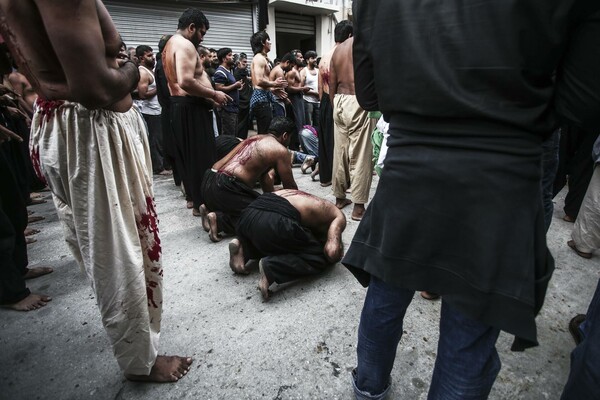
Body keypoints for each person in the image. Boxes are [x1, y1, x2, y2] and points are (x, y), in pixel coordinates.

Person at [345, 0, 600, 398]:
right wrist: (512, 120)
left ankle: (368, 389)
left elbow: (370, 92)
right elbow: (583, 98)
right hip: (500, 175)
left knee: (386, 296)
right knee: (468, 331)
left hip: (412, 164)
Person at [0, 0, 194, 382]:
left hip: (68, 125)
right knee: (119, 253)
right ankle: (140, 361)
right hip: (91, 133)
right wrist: (133, 68)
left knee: (107, 249)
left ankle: (132, 340)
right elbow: (95, 88)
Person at [163, 8, 231, 215]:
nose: (201, 39)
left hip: (180, 106)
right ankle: (207, 207)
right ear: (191, 27)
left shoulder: (169, 45)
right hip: (190, 108)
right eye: (201, 33)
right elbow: (185, 81)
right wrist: (213, 95)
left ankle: (194, 200)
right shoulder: (185, 44)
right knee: (203, 159)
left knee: (190, 159)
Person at [229, 189, 346, 301]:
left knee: (274, 240)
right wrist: (338, 250)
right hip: (274, 220)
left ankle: (243, 248)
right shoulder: (338, 217)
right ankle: (272, 267)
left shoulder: (308, 199)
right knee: (319, 257)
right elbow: (332, 252)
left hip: (249, 213)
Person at [200, 116, 298, 242]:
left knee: (262, 206)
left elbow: (265, 179)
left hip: (209, 181)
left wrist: (270, 200)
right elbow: (291, 188)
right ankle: (219, 221)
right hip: (225, 186)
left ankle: (209, 208)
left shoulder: (254, 138)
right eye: (290, 137)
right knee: (262, 217)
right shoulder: (281, 151)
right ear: (285, 135)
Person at [330, 36, 375, 221]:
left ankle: (340, 198)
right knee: (361, 154)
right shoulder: (366, 43)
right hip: (359, 100)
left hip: (339, 100)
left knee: (340, 152)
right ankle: (358, 208)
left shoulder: (338, 49)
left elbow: (331, 81)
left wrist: (334, 103)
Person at [318, 20, 353, 187]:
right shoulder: (343, 54)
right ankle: (341, 181)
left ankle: (325, 178)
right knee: (340, 143)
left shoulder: (325, 55)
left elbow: (320, 86)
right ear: (349, 35)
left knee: (325, 141)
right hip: (338, 99)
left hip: (324, 99)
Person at [136, 45, 169, 176]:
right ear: (141, 58)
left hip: (157, 110)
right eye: (148, 55)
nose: (153, 57)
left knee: (161, 139)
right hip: (150, 112)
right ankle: (158, 167)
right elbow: (142, 94)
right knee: (155, 141)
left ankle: (163, 164)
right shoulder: (143, 72)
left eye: (152, 54)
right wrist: (159, 89)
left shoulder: (151, 70)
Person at [249, 31, 287, 134]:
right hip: (260, 99)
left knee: (266, 130)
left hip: (264, 98)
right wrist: (275, 83)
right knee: (264, 132)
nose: (270, 42)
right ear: (262, 42)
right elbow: (258, 81)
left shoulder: (263, 58)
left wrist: (273, 89)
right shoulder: (259, 58)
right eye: (268, 40)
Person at [213, 47, 242, 136]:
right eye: (229, 55)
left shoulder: (229, 71)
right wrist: (235, 85)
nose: (232, 57)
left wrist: (237, 87)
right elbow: (219, 88)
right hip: (227, 109)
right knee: (228, 136)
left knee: (233, 134)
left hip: (233, 108)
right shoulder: (220, 72)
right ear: (223, 59)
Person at [233, 53, 252, 139]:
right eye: (244, 62)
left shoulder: (242, 73)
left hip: (245, 102)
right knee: (241, 125)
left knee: (244, 125)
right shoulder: (238, 73)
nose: (246, 64)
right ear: (238, 63)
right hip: (242, 103)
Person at [269, 52, 294, 117]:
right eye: (291, 66)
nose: (291, 69)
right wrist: (287, 100)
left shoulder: (277, 69)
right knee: (279, 123)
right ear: (287, 62)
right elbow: (281, 92)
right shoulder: (279, 71)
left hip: (275, 101)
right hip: (277, 102)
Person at [301, 50, 319, 129]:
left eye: (315, 58)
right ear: (307, 60)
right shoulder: (304, 71)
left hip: (318, 101)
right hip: (308, 101)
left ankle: (317, 140)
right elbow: (302, 89)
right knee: (308, 124)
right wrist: (315, 93)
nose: (315, 60)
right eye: (312, 58)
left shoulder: (318, 71)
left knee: (318, 123)